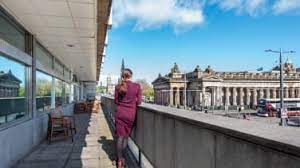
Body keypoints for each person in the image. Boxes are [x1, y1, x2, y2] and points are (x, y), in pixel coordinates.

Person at [114, 68, 142, 168]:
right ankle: (123, 158)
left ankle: (119, 161)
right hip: (130, 115)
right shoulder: (137, 86)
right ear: (131, 76)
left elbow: (116, 102)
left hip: (120, 114)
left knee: (120, 137)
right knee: (126, 136)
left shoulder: (118, 87)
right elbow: (139, 102)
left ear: (122, 76)